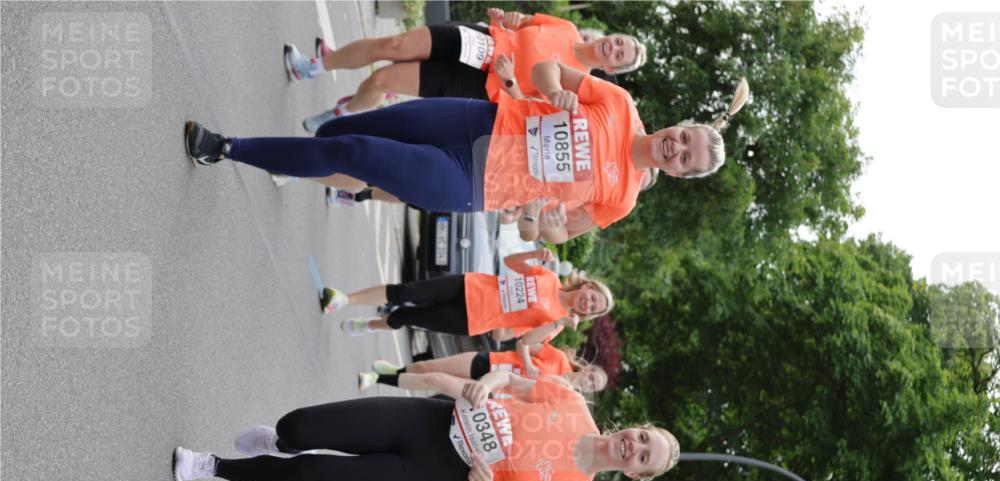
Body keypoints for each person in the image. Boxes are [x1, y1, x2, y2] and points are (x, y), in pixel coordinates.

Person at [182, 70, 748, 242]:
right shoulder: (620, 103)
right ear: (680, 124)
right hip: (477, 120)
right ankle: (290, 156)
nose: (677, 149)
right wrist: (554, 90)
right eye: (685, 138)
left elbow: (543, 235)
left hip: (471, 181)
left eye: (685, 160)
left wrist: (541, 220)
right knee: (346, 131)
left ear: (680, 174)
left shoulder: (620, 198)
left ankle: (227, 148)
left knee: (354, 151)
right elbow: (545, 70)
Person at [172, 371, 680, 481]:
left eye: (642, 457)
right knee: (301, 428)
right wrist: (488, 382)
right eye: (642, 437)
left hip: (430, 475)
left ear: (634, 475)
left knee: (309, 473)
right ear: (635, 427)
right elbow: (510, 377)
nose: (633, 446)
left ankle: (212, 466)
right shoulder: (569, 400)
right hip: (433, 420)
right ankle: (278, 439)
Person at [283, 7, 646, 124]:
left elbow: (526, 109)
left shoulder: (575, 85)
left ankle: (340, 113)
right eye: (618, 41)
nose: (613, 47)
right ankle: (313, 66)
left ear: (611, 71)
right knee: (393, 44)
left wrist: (507, 82)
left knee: (384, 78)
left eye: (619, 55)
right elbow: (522, 24)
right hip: (479, 39)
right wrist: (508, 18)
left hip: (478, 83)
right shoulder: (565, 27)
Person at [319, 249, 613, 340]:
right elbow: (510, 263)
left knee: (406, 316)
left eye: (593, 306)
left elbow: (504, 338)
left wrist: (548, 325)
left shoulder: (555, 325)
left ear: (587, 313)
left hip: (470, 319)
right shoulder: (549, 276)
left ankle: (368, 325)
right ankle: (346, 299)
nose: (588, 301)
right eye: (593, 295)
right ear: (587, 286)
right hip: (471, 285)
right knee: (405, 291)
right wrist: (536, 253)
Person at [360, 342, 607, 394]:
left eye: (594, 386)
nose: (590, 382)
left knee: (434, 381)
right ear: (587, 369)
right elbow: (524, 344)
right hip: (490, 363)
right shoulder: (559, 358)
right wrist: (529, 363)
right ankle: (397, 370)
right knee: (428, 366)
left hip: (490, 391)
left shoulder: (564, 395)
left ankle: (377, 378)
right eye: (593, 377)